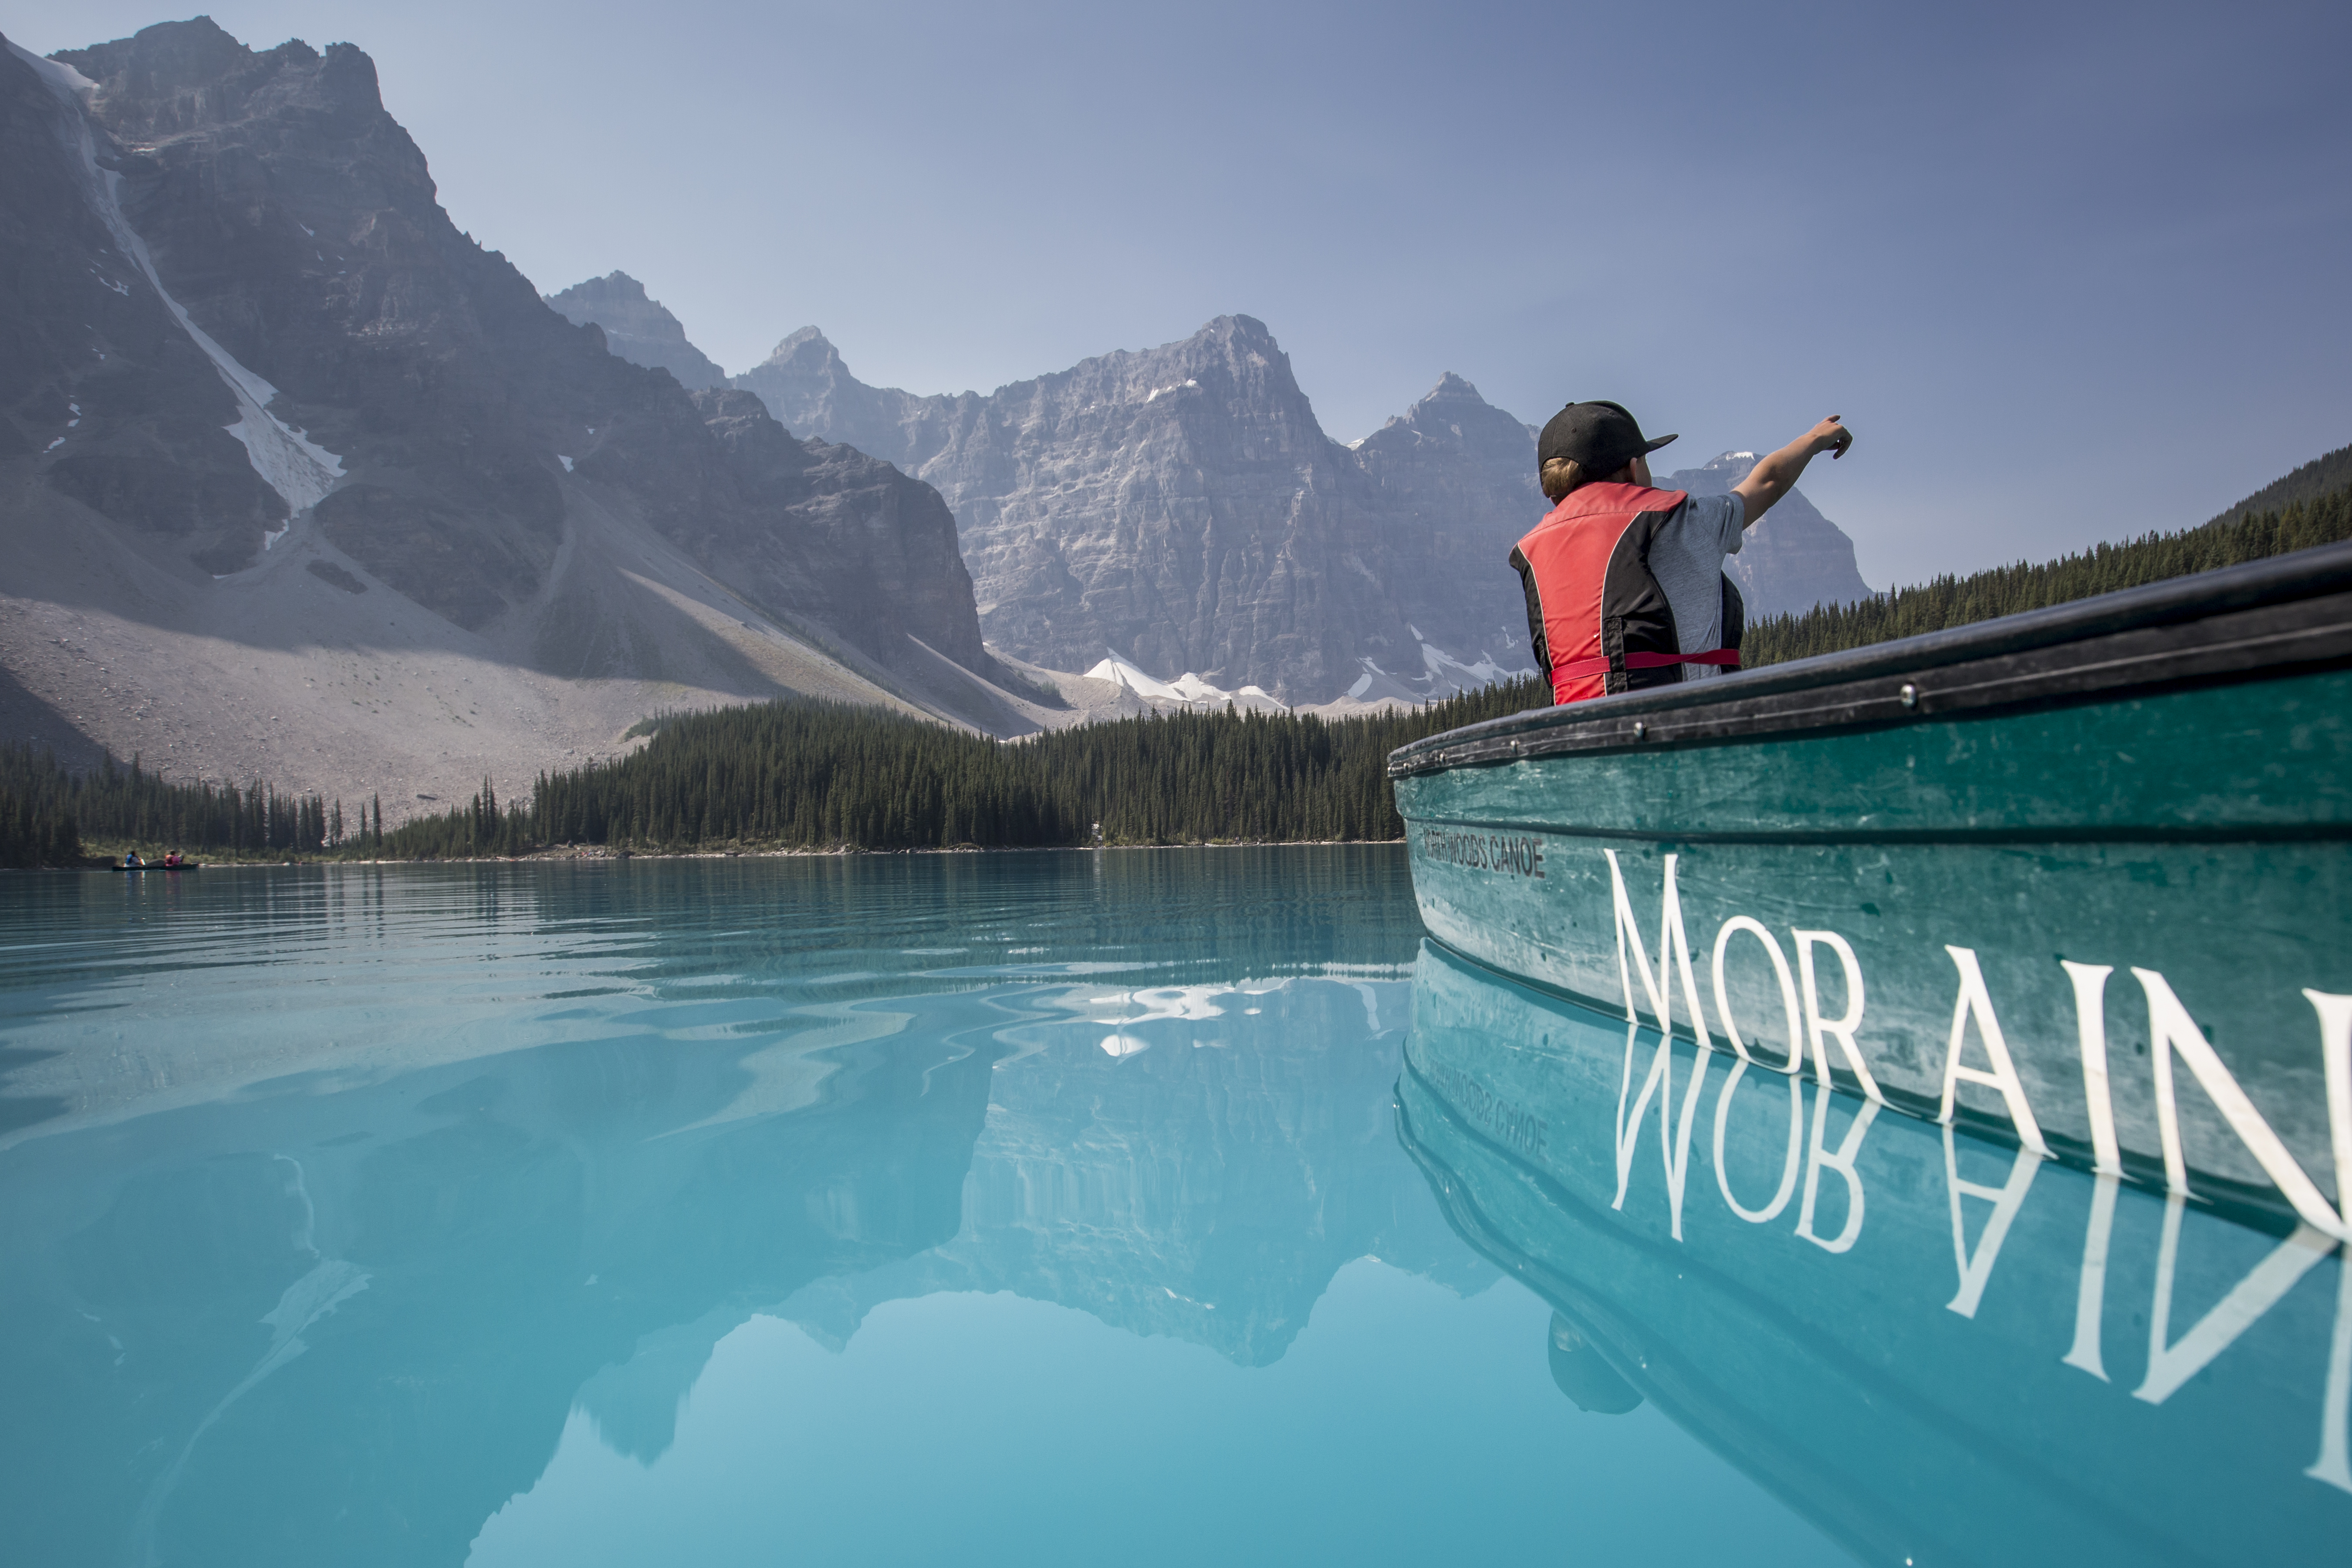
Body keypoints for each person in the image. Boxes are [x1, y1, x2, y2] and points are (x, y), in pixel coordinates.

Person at [1509, 400, 1853, 705]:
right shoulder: (1685, 522)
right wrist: (1814, 439)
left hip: (1583, 749)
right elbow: (1768, 481)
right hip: (1683, 740)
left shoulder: (1533, 551)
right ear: (1633, 467)